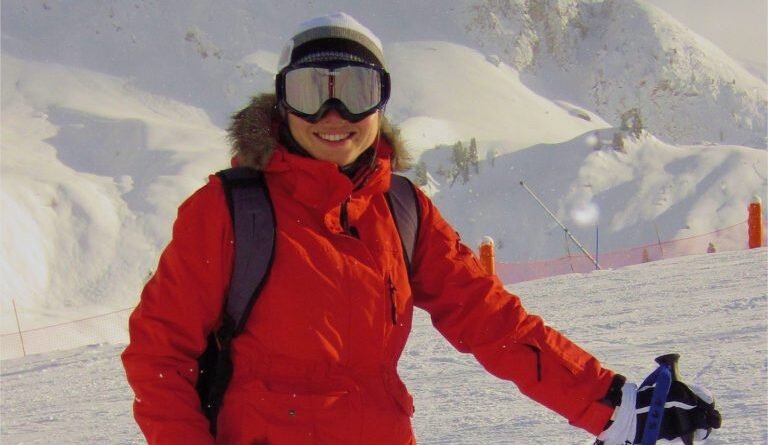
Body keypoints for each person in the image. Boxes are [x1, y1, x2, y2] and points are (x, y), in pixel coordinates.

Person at [122, 13, 721, 445]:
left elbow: (491, 319)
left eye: (355, 91)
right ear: (282, 104)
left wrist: (612, 405)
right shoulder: (229, 210)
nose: (333, 115)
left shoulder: (401, 209)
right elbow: (158, 355)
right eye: (310, 92)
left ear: (381, 103)